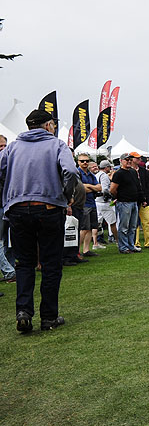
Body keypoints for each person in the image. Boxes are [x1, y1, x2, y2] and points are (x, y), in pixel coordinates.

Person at [0, 109, 78, 332]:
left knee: (24, 263)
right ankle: (49, 317)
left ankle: (23, 311)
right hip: (48, 207)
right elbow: (71, 171)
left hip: (18, 208)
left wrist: (9, 191)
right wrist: (66, 195)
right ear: (48, 125)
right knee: (51, 264)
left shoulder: (12, 147)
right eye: (53, 124)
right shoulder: (57, 145)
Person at [110, 153, 145, 254]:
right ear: (121, 161)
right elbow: (112, 189)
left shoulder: (133, 172)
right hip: (124, 202)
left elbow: (138, 186)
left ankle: (131, 245)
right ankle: (123, 247)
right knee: (124, 227)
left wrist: (142, 199)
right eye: (126, 160)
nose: (129, 161)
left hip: (134, 202)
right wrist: (119, 197)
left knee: (133, 227)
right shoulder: (118, 173)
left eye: (130, 159)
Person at [76, 153, 102, 257]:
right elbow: (80, 188)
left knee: (91, 227)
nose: (85, 162)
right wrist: (92, 187)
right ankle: (77, 251)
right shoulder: (77, 173)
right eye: (82, 161)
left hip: (92, 203)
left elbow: (99, 187)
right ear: (78, 162)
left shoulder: (90, 174)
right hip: (83, 203)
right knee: (84, 228)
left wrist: (88, 186)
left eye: (87, 161)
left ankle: (86, 250)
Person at [133, 154, 149, 249]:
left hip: (144, 200)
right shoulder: (129, 171)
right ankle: (135, 242)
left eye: (139, 158)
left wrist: (146, 199)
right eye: (137, 158)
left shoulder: (143, 171)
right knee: (134, 223)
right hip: (133, 200)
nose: (139, 159)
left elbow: (148, 186)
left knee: (147, 221)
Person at [0, 134, 15, 283]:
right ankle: (9, 270)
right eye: (0, 146)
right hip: (2, 206)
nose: (3, 149)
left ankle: (10, 269)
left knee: (8, 240)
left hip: (8, 207)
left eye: (5, 146)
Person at [95, 160, 118, 246]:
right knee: (113, 223)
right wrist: (112, 197)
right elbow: (105, 190)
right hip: (104, 202)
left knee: (97, 224)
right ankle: (118, 241)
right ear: (106, 167)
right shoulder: (104, 176)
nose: (110, 168)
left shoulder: (97, 174)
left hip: (97, 201)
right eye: (109, 167)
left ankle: (95, 242)